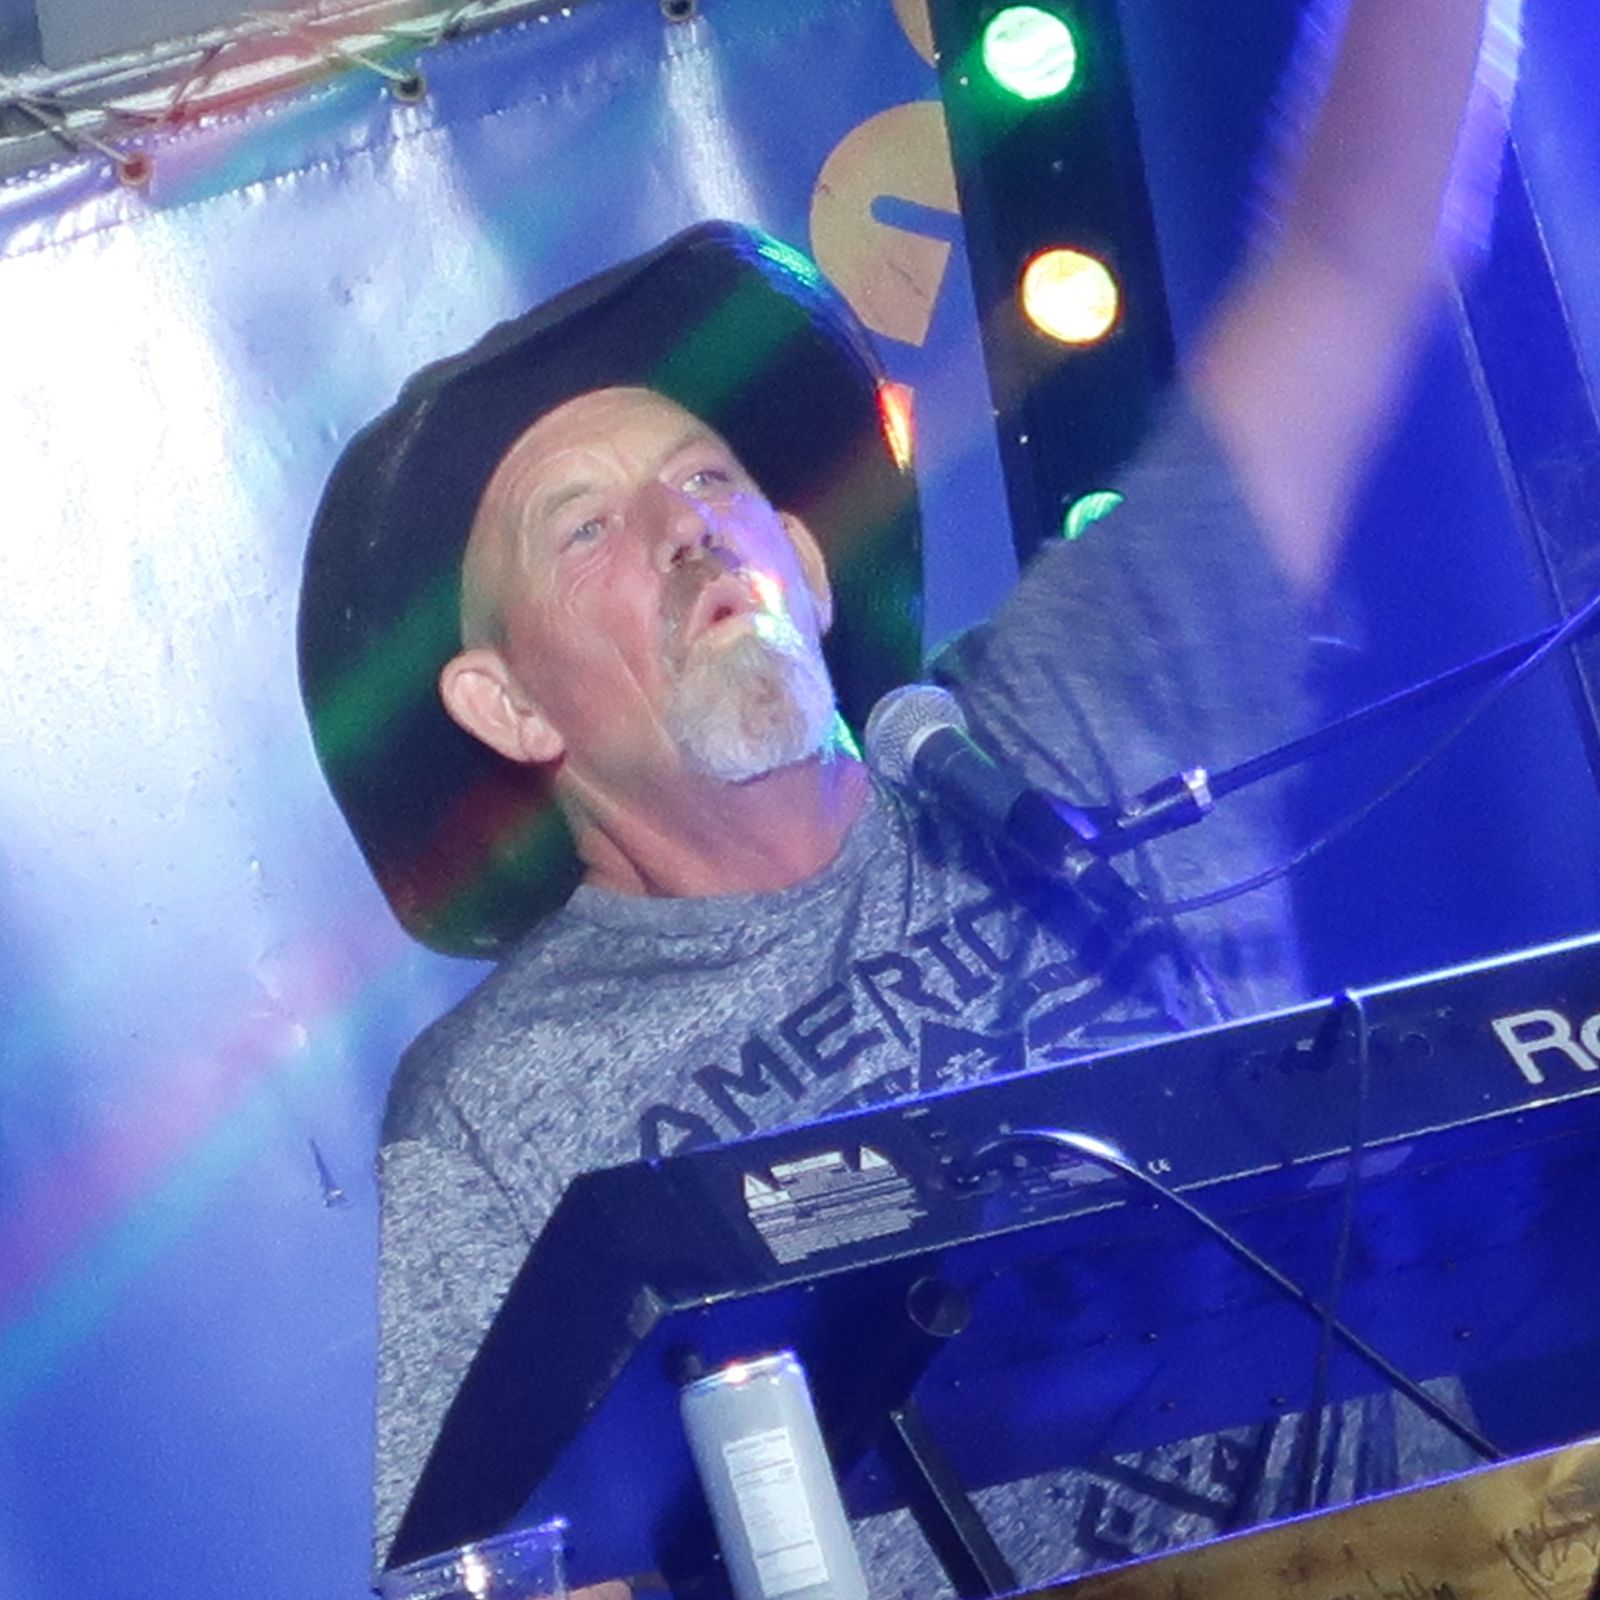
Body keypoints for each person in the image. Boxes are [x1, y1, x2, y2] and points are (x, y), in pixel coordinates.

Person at [297, 0, 1518, 1588]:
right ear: (506, 705)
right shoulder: (496, 1096)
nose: (687, 527)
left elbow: (1352, 265)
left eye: (712, 478)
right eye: (585, 526)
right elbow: (506, 1571)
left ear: (804, 569)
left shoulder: (1069, 719)